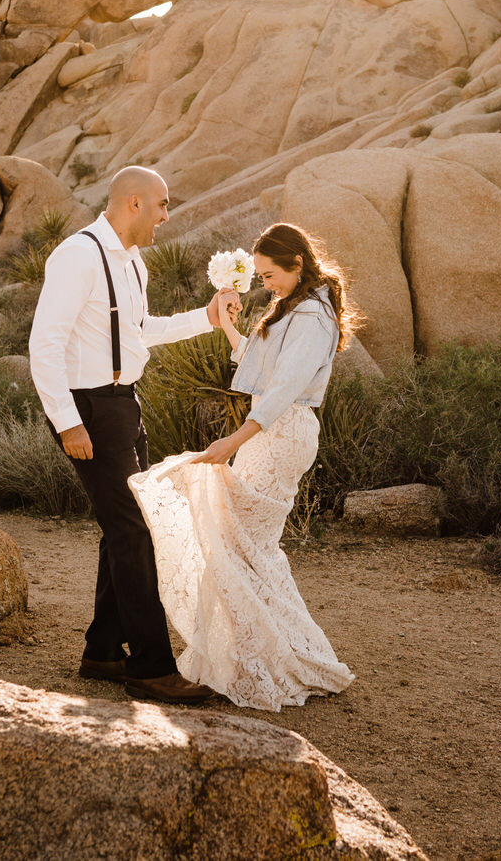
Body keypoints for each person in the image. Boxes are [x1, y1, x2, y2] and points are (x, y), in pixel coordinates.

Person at [28, 166, 239, 705]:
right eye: (163, 205)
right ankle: (150, 665)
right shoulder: (77, 256)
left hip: (123, 406)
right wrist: (67, 421)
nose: (168, 216)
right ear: (134, 203)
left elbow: (141, 331)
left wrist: (208, 318)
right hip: (89, 410)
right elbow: (45, 344)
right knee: (135, 534)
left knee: (128, 528)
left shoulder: (133, 262)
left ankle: (102, 651)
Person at [128, 222, 358, 711]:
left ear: (297, 263)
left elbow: (281, 390)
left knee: (243, 544)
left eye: (270, 274)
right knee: (246, 546)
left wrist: (233, 438)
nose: (265, 284)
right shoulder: (294, 305)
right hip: (269, 433)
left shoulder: (314, 315)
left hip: (282, 433)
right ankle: (262, 654)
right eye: (259, 275)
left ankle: (269, 658)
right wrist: (228, 320)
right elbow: (257, 364)